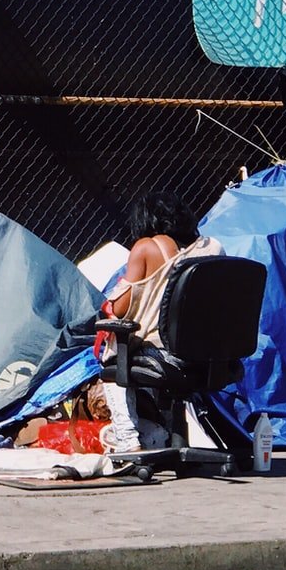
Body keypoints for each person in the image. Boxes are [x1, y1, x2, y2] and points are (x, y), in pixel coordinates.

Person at [101, 192, 205, 453]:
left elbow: (119, 307)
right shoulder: (212, 247)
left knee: (115, 363)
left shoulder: (147, 247)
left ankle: (128, 441)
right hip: (209, 357)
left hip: (166, 355)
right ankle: (168, 437)